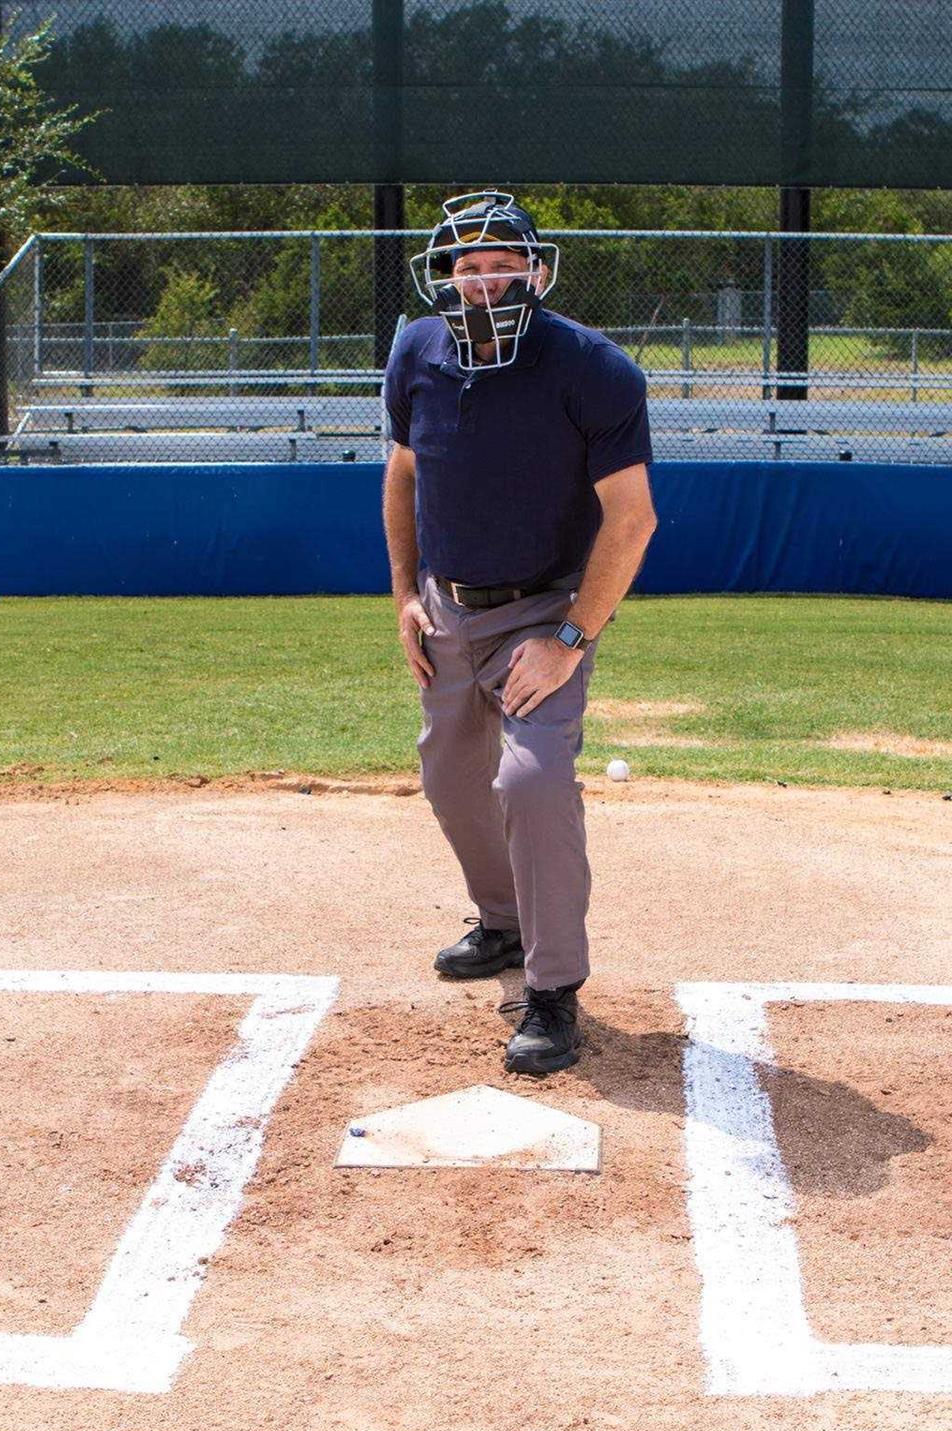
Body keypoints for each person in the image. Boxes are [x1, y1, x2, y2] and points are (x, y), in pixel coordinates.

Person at [381, 190, 658, 1076]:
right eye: (468, 267)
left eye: (504, 265)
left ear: (538, 273)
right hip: (447, 608)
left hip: (544, 613)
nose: (485, 282)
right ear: (445, 277)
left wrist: (570, 638)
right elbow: (403, 475)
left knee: (532, 783)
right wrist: (406, 595)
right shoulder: (416, 351)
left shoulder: (593, 368)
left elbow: (632, 519)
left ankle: (553, 988)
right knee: (448, 777)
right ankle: (502, 922)